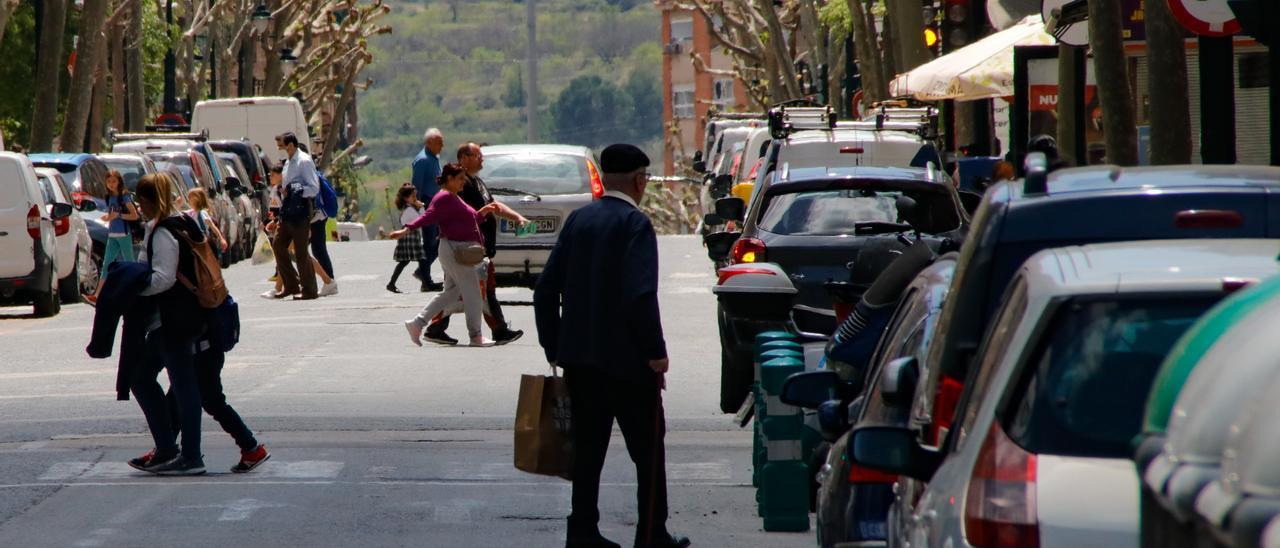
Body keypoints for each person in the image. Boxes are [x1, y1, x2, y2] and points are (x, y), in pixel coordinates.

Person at [533, 144, 689, 548]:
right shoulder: (635, 224)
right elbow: (640, 295)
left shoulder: (578, 221)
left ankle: (582, 532)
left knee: (586, 452)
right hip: (630, 366)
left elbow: (545, 290)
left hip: (581, 363)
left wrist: (555, 346)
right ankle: (651, 533)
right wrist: (656, 353)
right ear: (639, 180)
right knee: (648, 451)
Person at [126, 172, 208, 475]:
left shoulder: (163, 231)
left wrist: (133, 287)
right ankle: (167, 448)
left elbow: (163, 278)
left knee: (180, 388)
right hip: (183, 318)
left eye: (140, 201)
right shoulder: (184, 221)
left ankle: (189, 455)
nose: (139, 206)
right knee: (147, 378)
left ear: (149, 201)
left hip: (173, 320)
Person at [423, 142, 528, 346]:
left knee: (464, 292)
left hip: (476, 249)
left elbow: (492, 206)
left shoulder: (477, 182)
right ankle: (498, 329)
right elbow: (459, 216)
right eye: (478, 155)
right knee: (482, 291)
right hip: (465, 250)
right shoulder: (460, 187)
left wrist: (517, 217)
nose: (482, 159)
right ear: (464, 158)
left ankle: (436, 327)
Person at [391, 163, 502, 348]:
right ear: (449, 179)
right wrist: (406, 230)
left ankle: (417, 323)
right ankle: (476, 336)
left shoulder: (453, 197)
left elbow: (472, 217)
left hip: (455, 250)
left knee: (451, 292)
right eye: (459, 179)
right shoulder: (444, 198)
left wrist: (487, 210)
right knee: (474, 293)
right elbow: (429, 216)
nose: (462, 183)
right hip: (455, 251)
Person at [270, 132, 319, 300]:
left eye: (282, 145)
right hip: (287, 211)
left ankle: (310, 290)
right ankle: (291, 285)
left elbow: (313, 188)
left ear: (291, 145)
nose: (280, 148)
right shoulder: (288, 162)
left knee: (301, 252)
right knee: (278, 245)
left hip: (300, 212)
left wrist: (294, 191)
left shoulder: (304, 161)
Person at [87, 170, 140, 303]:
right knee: (106, 264)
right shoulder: (109, 197)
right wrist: (108, 218)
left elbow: (135, 215)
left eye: (114, 181)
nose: (111, 184)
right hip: (112, 234)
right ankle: (97, 294)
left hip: (123, 234)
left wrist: (119, 216)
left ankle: (136, 292)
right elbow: (112, 215)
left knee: (130, 262)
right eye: (109, 181)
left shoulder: (124, 197)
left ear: (119, 182)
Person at [411, 128, 445, 292]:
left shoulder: (433, 158)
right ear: (429, 142)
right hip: (427, 206)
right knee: (431, 243)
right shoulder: (423, 160)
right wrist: (419, 209)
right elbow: (416, 187)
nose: (442, 146)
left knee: (440, 241)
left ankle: (422, 273)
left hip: (437, 206)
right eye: (439, 142)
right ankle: (426, 279)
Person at [388, 183, 426, 293]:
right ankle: (426, 282)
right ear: (406, 198)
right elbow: (421, 220)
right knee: (420, 259)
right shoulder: (409, 210)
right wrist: (421, 207)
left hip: (410, 236)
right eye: (413, 196)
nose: (415, 198)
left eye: (416, 196)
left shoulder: (410, 208)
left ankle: (391, 283)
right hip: (409, 237)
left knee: (406, 261)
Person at [186, 187, 230, 255]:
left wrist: (221, 239)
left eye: (190, 198)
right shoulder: (190, 213)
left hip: (203, 242)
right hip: (194, 243)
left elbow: (212, 226)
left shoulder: (202, 213)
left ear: (197, 199)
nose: (188, 200)